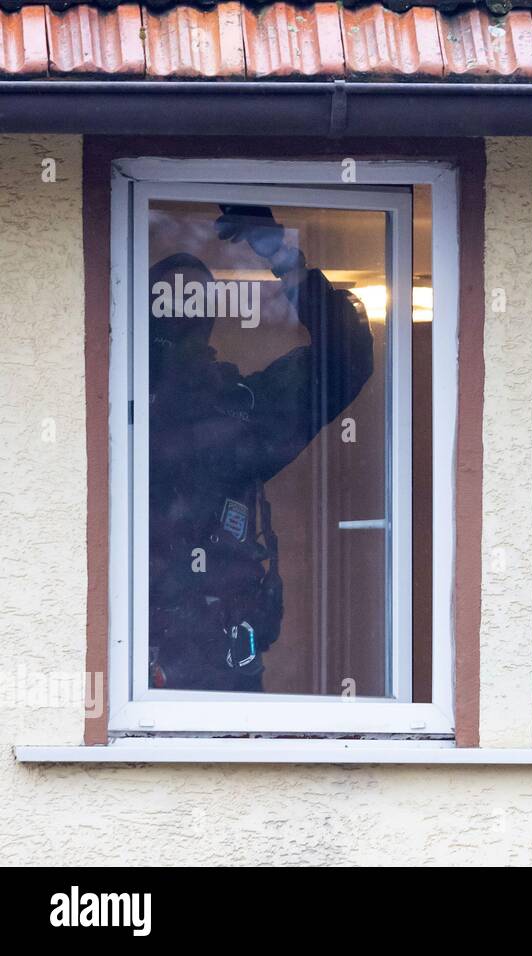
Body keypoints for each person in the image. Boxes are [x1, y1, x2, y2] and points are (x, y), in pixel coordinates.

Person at [147, 205, 374, 692]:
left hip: (223, 664)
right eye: (170, 310)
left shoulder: (238, 411)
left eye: (189, 310)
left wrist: (287, 261)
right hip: (136, 668)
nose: (178, 330)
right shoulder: (111, 413)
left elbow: (346, 356)